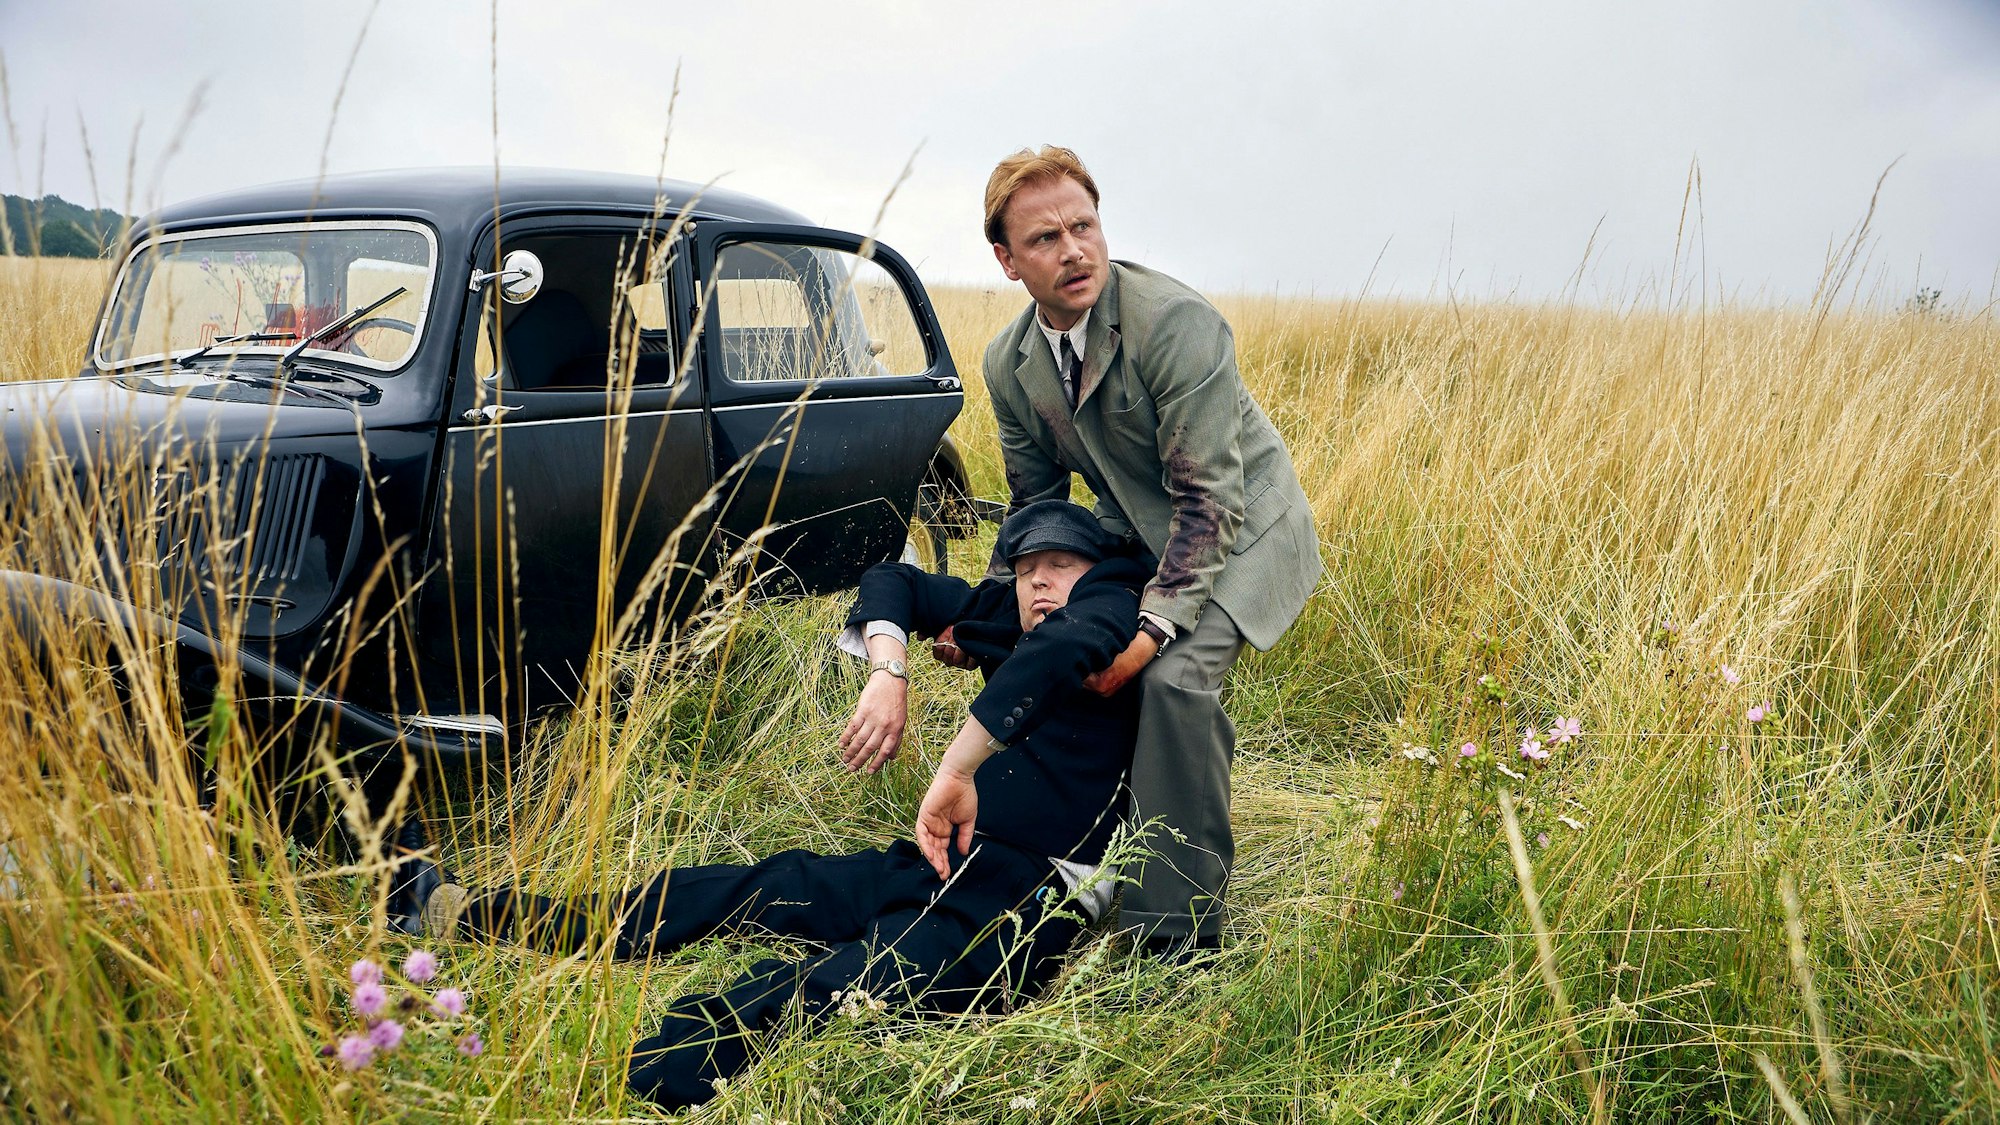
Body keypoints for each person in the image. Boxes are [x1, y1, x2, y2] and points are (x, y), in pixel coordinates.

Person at [418, 501, 1151, 1111]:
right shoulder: (1005, 614)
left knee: (859, 984)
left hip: (1036, 890)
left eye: (1061, 566)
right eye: (1026, 569)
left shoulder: (1113, 614)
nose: (1040, 582)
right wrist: (887, 669)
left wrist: (958, 762)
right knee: (770, 883)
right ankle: (478, 911)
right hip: (947, 854)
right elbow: (892, 578)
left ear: (1096, 572)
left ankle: (625, 1080)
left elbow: (1061, 651)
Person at [964, 145, 1321, 954]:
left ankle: (1176, 936)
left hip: (1243, 529)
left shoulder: (1177, 323)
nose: (1075, 250)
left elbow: (1210, 499)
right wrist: (987, 611)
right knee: (1045, 649)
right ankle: (1072, 857)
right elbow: (1036, 507)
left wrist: (1151, 628)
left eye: (1083, 225)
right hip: (1139, 530)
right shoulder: (1008, 362)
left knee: (1171, 682)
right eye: (1045, 239)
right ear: (1007, 260)